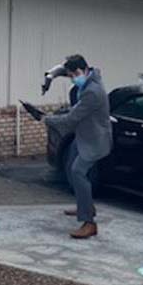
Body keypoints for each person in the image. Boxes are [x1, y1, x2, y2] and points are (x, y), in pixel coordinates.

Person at [44, 54, 112, 239]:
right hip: (84, 136)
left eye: (74, 75)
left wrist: (45, 119)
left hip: (95, 140)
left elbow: (70, 119)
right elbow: (63, 70)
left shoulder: (93, 92)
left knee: (77, 172)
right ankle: (85, 203)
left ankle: (89, 222)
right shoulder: (89, 76)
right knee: (69, 167)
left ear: (83, 71)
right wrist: (50, 77)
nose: (73, 79)